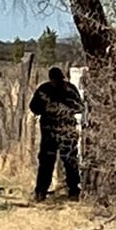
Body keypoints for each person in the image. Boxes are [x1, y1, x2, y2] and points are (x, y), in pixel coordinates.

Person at [29, 66, 84, 202]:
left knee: (69, 160)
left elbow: (80, 107)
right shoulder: (47, 89)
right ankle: (41, 192)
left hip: (63, 129)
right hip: (54, 130)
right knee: (50, 161)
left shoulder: (51, 89)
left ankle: (73, 191)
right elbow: (34, 107)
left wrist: (55, 111)